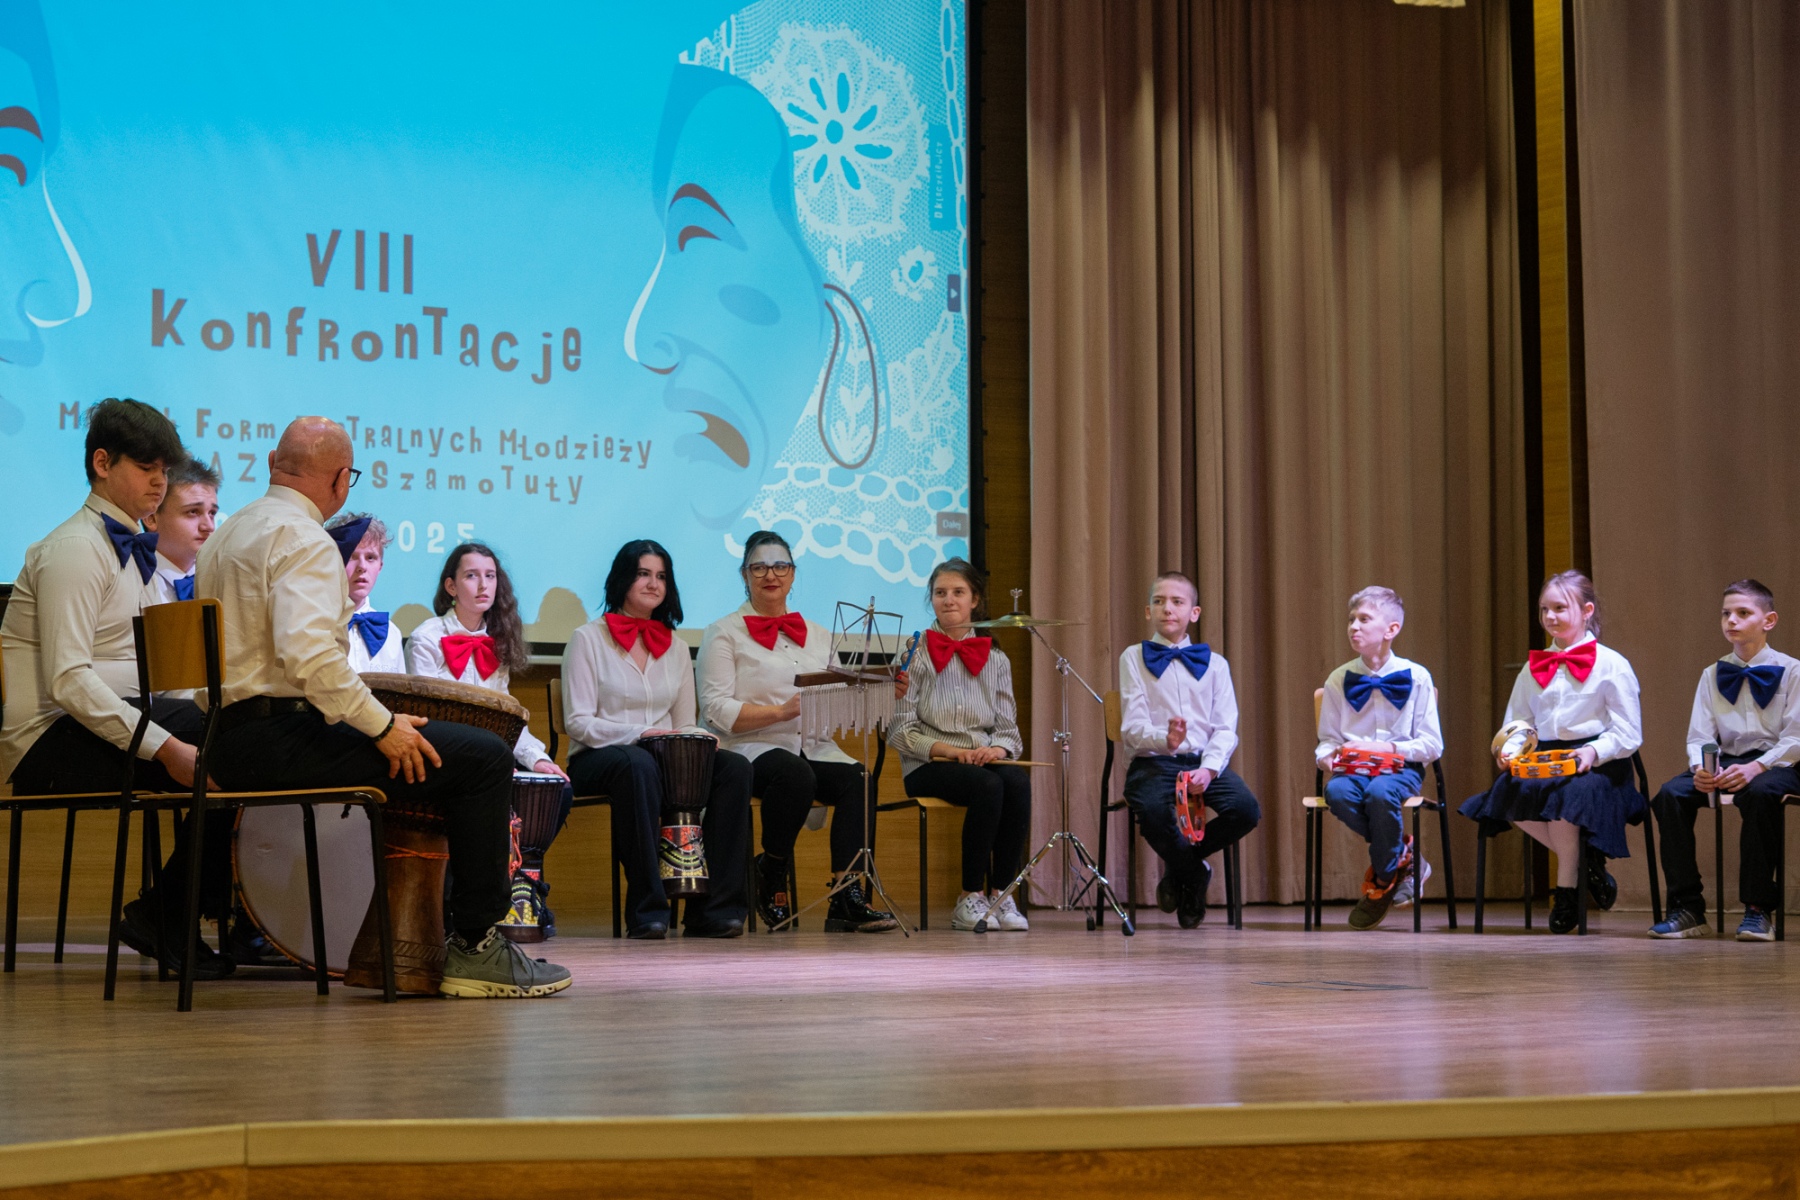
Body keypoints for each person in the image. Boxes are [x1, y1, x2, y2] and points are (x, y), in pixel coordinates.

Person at [195, 417, 569, 997]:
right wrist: (383, 726)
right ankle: (476, 944)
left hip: (224, 738)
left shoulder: (227, 533)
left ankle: (408, 944)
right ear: (342, 479)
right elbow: (310, 659)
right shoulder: (304, 539)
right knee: (484, 758)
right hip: (280, 740)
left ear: (272, 462)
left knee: (459, 752)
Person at [0, 399, 227, 973]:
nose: (159, 482)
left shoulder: (134, 552)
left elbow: (155, 678)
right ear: (102, 463)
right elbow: (69, 681)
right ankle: (171, 914)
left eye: (164, 470)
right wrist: (167, 747)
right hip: (48, 742)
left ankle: (177, 912)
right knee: (236, 748)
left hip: (96, 727)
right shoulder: (75, 550)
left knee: (240, 737)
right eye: (146, 467)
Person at [697, 530, 896, 933]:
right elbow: (714, 709)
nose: (771, 575)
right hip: (749, 746)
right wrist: (779, 712)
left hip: (811, 745)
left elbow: (839, 700)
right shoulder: (723, 632)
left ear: (792, 573)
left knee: (859, 779)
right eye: (759, 567)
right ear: (745, 574)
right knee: (794, 774)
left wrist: (887, 690)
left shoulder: (819, 634)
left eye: (780, 566)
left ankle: (846, 896)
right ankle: (771, 871)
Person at [561, 539, 752, 939]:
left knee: (733, 767)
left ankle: (713, 909)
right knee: (638, 764)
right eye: (643, 574)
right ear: (622, 579)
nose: (653, 584)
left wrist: (701, 737)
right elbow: (578, 723)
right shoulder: (587, 639)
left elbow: (683, 723)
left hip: (663, 761)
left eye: (661, 577)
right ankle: (647, 909)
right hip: (599, 758)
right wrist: (640, 734)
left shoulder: (677, 647)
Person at [1459, 570, 1646, 935]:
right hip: (1546, 758)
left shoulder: (1612, 665)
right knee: (1505, 793)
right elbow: (1518, 722)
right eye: (1545, 609)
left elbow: (1628, 731)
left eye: (1560, 608)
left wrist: (1592, 752)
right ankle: (1586, 862)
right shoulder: (1534, 667)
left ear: (1587, 611)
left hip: (1601, 765)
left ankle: (1566, 891)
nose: (1549, 616)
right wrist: (1510, 751)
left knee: (1566, 797)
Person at [409, 541, 570, 941]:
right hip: (444, 756)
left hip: (490, 756)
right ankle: (466, 913)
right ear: (451, 586)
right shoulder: (427, 638)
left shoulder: (498, 642)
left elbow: (506, 718)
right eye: (471, 575)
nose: (483, 585)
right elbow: (429, 718)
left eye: (490, 576)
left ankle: (521, 893)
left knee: (557, 788)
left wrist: (537, 758)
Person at [1648, 580, 1800, 941]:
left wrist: (1758, 766)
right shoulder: (1712, 674)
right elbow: (1699, 735)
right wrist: (1702, 768)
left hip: (1781, 763)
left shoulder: (1793, 671)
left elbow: (1796, 738)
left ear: (1769, 620)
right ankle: (1688, 909)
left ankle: (1758, 910)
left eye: (1743, 613)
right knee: (1670, 795)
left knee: (1760, 793)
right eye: (1726, 613)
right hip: (1728, 760)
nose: (1731, 620)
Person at [888, 558, 1031, 932]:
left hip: (980, 759)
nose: (948, 600)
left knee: (1016, 782)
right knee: (988, 786)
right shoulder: (913, 654)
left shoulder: (996, 658)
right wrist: (952, 751)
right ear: (931, 599)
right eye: (940, 593)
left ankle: (1001, 894)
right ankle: (969, 895)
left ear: (975, 600)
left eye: (958, 592)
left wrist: (996, 750)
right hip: (928, 764)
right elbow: (900, 730)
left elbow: (1008, 730)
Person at [1117, 572, 1261, 929]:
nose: (1167, 608)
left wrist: (1209, 770)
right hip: (1154, 761)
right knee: (1152, 810)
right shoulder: (1133, 658)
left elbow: (1225, 728)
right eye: (1159, 601)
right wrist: (1164, 739)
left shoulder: (1217, 664)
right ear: (1148, 611)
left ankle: (1180, 867)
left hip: (1202, 761)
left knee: (1245, 810)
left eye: (1177, 602)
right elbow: (1131, 727)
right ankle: (1195, 874)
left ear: (1194, 613)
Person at [1314, 586, 1445, 930]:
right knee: (1337, 793)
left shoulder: (1417, 677)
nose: (1353, 626)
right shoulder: (1338, 679)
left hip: (1401, 768)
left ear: (1391, 629)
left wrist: (1391, 750)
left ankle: (1383, 880)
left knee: (1381, 793)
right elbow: (1327, 741)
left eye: (1364, 619)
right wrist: (1329, 758)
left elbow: (1432, 745)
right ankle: (1404, 857)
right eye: (1351, 620)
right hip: (1353, 770)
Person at [324, 512, 404, 673]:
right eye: (352, 556)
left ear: (380, 566)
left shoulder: (392, 633)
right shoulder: (316, 624)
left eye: (370, 558)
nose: (362, 566)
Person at [141, 457, 219, 605]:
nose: (209, 526)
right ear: (151, 518)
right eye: (193, 512)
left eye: (212, 513)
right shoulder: (132, 577)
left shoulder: (221, 578)